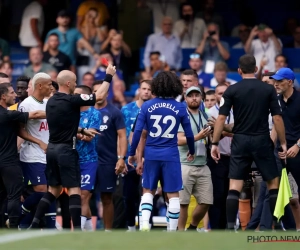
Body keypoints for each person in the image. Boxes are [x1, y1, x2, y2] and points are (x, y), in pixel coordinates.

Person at [29, 64, 116, 230]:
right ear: (68, 84)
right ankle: (76, 230)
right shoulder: (72, 100)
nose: (76, 85)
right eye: (75, 82)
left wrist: (82, 130)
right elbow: (99, 97)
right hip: (66, 151)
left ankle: (33, 223)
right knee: (75, 190)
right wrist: (108, 76)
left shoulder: (51, 101)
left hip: (52, 150)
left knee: (53, 190)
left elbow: (64, 124)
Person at [210, 54, 287, 231]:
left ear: (238, 71)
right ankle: (276, 223)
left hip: (240, 140)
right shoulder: (268, 90)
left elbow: (221, 118)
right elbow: (277, 118)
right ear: (256, 69)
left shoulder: (232, 90)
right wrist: (282, 143)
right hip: (262, 140)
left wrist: (215, 143)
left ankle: (230, 227)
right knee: (272, 183)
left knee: (235, 186)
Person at [128, 71, 195, 232]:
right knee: (173, 194)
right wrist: (191, 150)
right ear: (175, 86)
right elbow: (189, 133)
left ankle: (144, 224)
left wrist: (132, 153)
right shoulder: (180, 107)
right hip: (171, 154)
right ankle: (172, 230)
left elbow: (138, 132)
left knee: (148, 190)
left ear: (156, 86)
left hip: (151, 154)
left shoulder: (147, 105)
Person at [0, 83, 46, 228]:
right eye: (12, 92)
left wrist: (38, 141)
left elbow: (20, 132)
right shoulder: (8, 115)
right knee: (13, 196)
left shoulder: (8, 115)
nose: (15, 95)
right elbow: (35, 114)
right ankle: (13, 226)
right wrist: (58, 109)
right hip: (9, 162)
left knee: (1, 197)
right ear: (3, 96)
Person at [18, 73, 55, 229]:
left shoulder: (48, 103)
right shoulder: (26, 105)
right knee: (42, 190)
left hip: (48, 155)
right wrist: (39, 142)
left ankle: (31, 225)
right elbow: (20, 131)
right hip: (32, 155)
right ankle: (22, 213)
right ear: (39, 86)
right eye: (49, 84)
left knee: (51, 191)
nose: (51, 88)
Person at [92, 80, 127, 231]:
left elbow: (122, 136)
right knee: (83, 196)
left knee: (107, 198)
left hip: (107, 162)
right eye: (95, 91)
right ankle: (84, 229)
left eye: (101, 91)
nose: (98, 94)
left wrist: (121, 158)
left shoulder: (115, 112)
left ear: (107, 93)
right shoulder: (84, 111)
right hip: (87, 161)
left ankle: (107, 231)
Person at [177, 86, 213, 231]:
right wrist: (198, 137)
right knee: (183, 203)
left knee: (207, 201)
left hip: (202, 164)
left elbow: (211, 138)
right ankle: (180, 233)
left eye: (196, 95)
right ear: (185, 98)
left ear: (201, 98)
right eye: (190, 95)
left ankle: (192, 227)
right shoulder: (182, 116)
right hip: (184, 164)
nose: (194, 98)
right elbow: (178, 140)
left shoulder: (205, 116)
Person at [271, 68, 300, 231]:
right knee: (276, 192)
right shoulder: (276, 100)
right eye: (275, 81)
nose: (276, 84)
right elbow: (277, 123)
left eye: (280, 81)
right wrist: (271, 145)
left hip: (298, 151)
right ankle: (286, 229)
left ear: (289, 82)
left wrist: (297, 145)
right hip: (280, 152)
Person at [121, 79, 152, 231]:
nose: (146, 91)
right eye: (144, 88)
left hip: (151, 158)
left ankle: (147, 225)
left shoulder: (155, 110)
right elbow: (121, 136)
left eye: (149, 89)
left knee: (149, 194)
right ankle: (131, 227)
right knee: (129, 196)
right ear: (139, 90)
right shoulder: (126, 110)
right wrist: (122, 158)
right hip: (130, 159)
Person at [74, 85, 101, 231]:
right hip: (71, 159)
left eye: (77, 94)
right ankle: (90, 231)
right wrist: (80, 134)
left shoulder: (94, 114)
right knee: (78, 197)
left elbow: (89, 137)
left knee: (84, 196)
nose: (73, 96)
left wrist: (72, 133)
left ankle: (78, 231)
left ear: (85, 96)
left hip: (88, 160)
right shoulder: (70, 111)